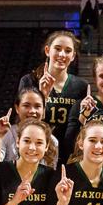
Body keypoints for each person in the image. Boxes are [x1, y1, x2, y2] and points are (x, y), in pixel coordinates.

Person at [18, 31, 88, 164]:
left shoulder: (81, 86)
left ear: (73, 56)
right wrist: (42, 95)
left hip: (67, 155)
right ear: (47, 50)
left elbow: (77, 128)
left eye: (68, 51)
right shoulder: (29, 81)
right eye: (57, 49)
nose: (62, 54)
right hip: (35, 153)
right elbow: (24, 122)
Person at [65, 55, 103, 152]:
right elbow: (69, 144)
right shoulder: (81, 105)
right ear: (95, 79)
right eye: (102, 76)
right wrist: (82, 118)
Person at [0, 87, 58, 167]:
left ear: (43, 110)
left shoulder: (52, 140)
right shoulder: (6, 134)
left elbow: (51, 172)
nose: (32, 111)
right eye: (26, 106)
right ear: (17, 108)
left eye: (37, 106)